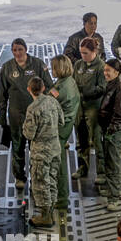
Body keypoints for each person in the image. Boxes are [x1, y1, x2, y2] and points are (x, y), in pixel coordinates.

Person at [0, 38, 53, 189]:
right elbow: (2, 94)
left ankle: (36, 177)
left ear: (26, 49)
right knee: (17, 146)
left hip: (37, 114)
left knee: (36, 147)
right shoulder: (7, 68)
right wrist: (2, 116)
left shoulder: (38, 64)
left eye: (20, 49)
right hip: (16, 114)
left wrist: (51, 105)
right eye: (14, 50)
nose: (17, 53)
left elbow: (49, 85)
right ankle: (19, 177)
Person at [22, 76, 63, 228]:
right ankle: (51, 210)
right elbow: (62, 121)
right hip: (55, 148)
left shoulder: (33, 109)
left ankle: (45, 216)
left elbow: (29, 134)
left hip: (41, 152)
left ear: (29, 89)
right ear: (44, 88)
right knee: (52, 179)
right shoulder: (53, 101)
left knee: (40, 183)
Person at [96, 58, 121, 211]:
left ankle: (114, 197)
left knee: (114, 164)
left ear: (116, 72)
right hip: (109, 130)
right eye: (105, 70)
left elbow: (120, 114)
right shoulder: (112, 85)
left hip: (114, 132)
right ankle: (111, 190)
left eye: (108, 70)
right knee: (109, 162)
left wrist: (110, 130)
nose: (105, 73)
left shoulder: (120, 89)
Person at [49, 54, 80, 212]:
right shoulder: (69, 82)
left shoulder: (62, 87)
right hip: (65, 127)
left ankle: (61, 198)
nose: (51, 70)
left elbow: (50, 102)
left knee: (59, 164)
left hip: (59, 129)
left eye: (53, 67)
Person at [73, 38, 106, 179]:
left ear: (94, 51)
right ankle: (82, 167)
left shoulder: (101, 67)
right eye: (81, 52)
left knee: (98, 140)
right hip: (80, 107)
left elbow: (102, 87)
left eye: (85, 53)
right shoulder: (78, 65)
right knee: (81, 140)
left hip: (94, 107)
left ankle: (101, 172)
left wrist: (86, 92)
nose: (83, 55)